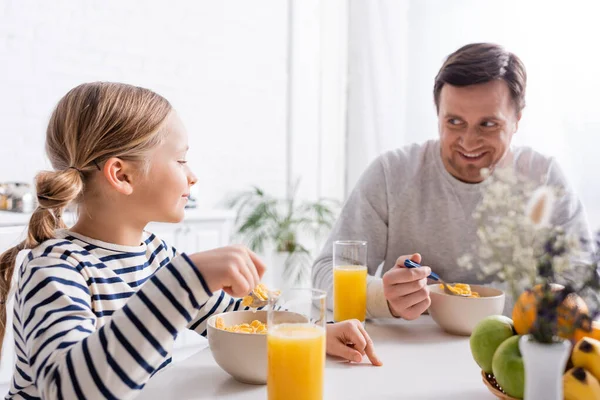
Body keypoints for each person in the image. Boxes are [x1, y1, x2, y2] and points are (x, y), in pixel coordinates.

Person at [0, 82, 381, 399]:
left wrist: (316, 332)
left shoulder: (156, 255)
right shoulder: (53, 267)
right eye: (181, 161)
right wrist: (183, 280)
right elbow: (68, 389)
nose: (192, 176)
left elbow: (236, 321)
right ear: (122, 175)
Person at [312, 43, 591, 320]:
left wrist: (477, 306)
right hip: (408, 352)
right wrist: (382, 296)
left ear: (517, 120)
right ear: (437, 116)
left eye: (488, 124)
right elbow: (326, 271)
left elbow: (584, 281)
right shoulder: (391, 173)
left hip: (515, 349)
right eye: (454, 122)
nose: (469, 142)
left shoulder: (544, 178)